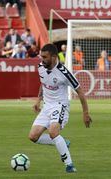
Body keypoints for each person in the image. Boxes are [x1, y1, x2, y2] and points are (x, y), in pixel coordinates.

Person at [28, 44, 92, 173]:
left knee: (53, 132)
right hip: (47, 106)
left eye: (45, 57)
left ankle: (69, 164)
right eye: (41, 56)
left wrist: (85, 113)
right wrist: (38, 100)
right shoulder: (41, 67)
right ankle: (62, 142)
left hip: (60, 105)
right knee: (33, 136)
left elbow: (80, 92)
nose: (42, 59)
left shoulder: (64, 73)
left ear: (54, 57)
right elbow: (43, 83)